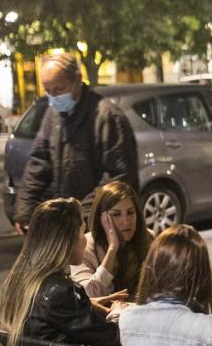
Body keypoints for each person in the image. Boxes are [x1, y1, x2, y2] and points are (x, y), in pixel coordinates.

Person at [0, 198, 134, 346]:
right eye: (82, 231)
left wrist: (87, 304)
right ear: (66, 240)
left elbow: (52, 318)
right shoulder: (61, 292)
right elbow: (114, 339)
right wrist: (119, 313)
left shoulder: (21, 283)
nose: (85, 238)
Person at [14, 52, 138, 234]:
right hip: (70, 227)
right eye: (48, 91)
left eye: (58, 89)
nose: (53, 96)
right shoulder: (53, 116)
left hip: (100, 227)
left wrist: (79, 215)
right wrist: (24, 211)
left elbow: (117, 177)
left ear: (77, 81)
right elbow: (39, 163)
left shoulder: (107, 117)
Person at [71, 181, 153, 298]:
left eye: (130, 212)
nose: (126, 221)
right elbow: (89, 295)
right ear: (101, 218)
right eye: (116, 214)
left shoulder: (150, 239)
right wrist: (112, 249)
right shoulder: (84, 247)